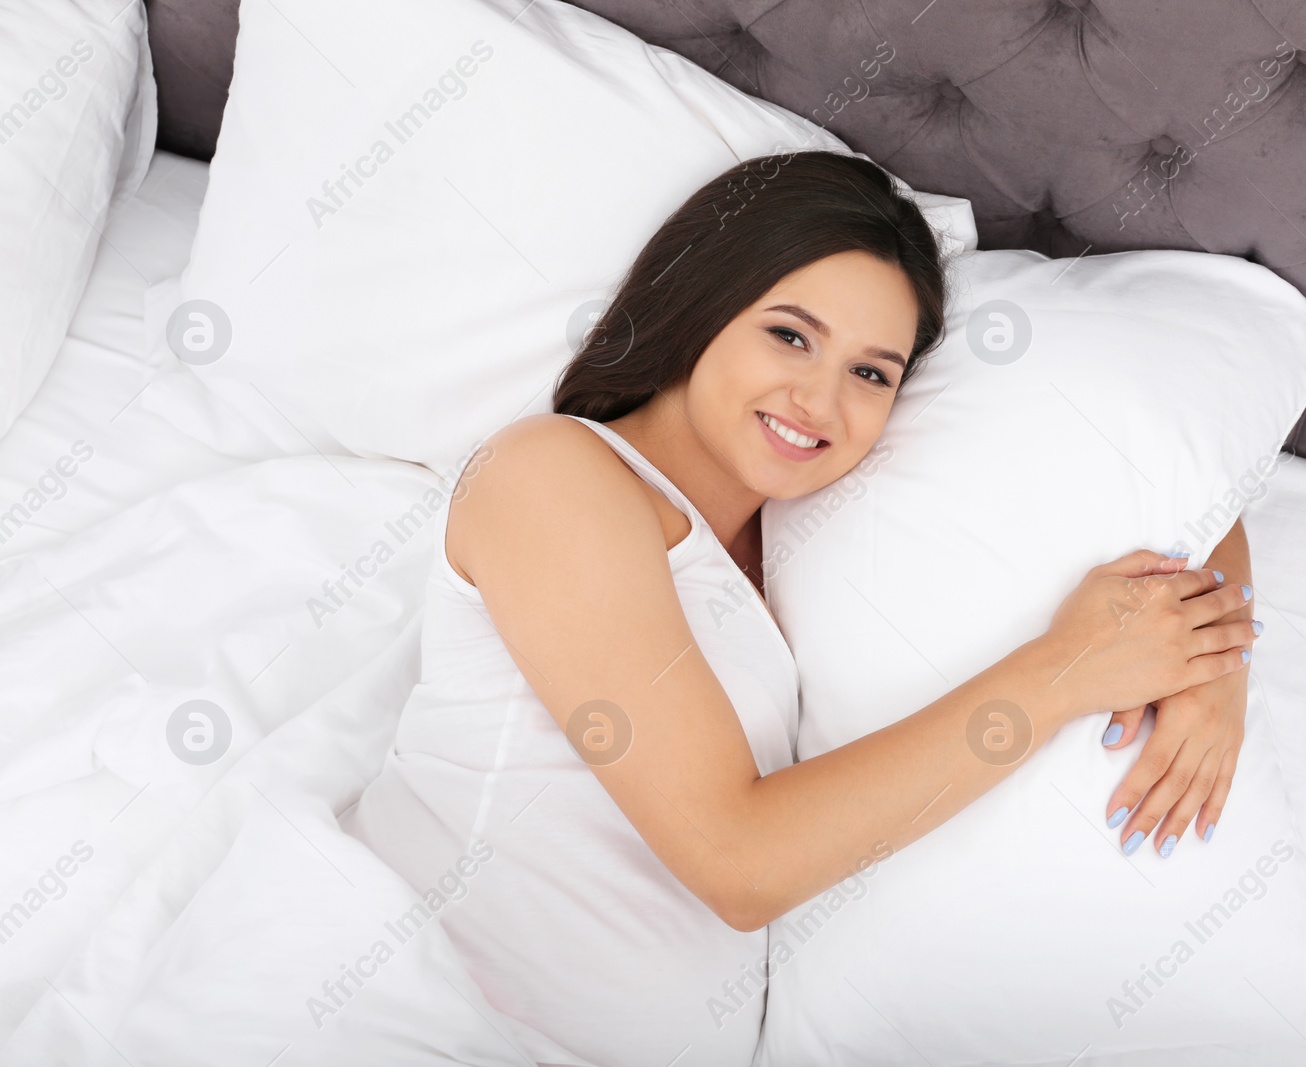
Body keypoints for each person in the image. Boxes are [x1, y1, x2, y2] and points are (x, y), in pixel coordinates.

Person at [342, 150, 1258, 1067]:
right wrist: (1065, 673)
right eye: (790, 335)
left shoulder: (787, 548)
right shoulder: (553, 474)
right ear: (701, 306)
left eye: (872, 374)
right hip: (435, 1020)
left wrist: (1215, 650)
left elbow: (1169, 456)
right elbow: (738, 862)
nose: (820, 400)